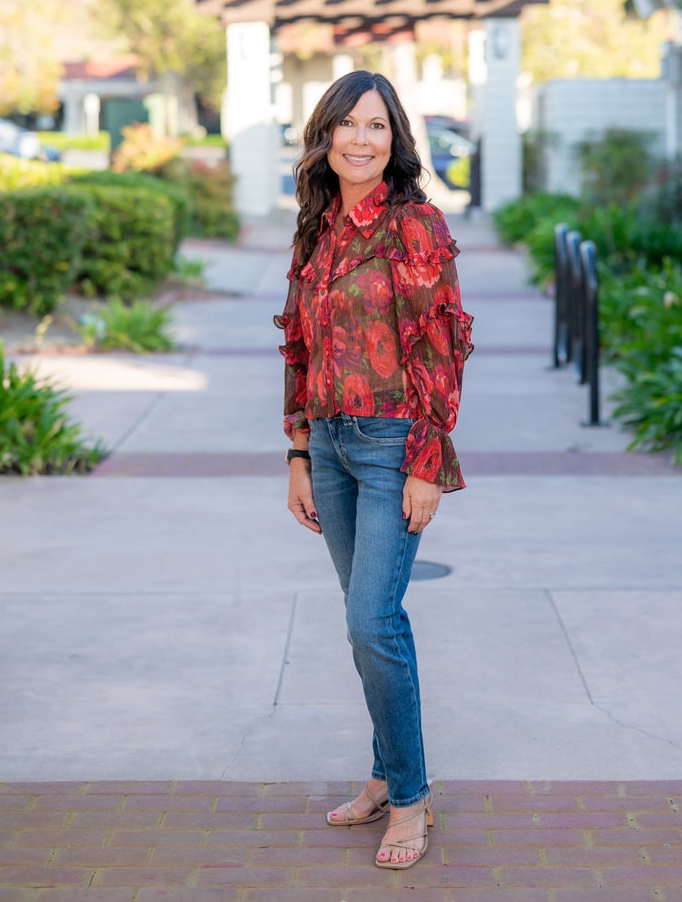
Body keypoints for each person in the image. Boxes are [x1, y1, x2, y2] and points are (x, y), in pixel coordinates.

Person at [274, 69, 473, 870]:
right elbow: (299, 348)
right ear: (325, 136)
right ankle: (387, 776)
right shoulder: (316, 227)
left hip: (393, 445)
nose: (361, 139)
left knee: (372, 622)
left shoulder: (414, 225)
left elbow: (442, 349)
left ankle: (412, 797)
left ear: (396, 140)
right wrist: (298, 451)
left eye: (377, 125)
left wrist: (427, 463)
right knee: (370, 626)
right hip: (327, 446)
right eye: (348, 124)